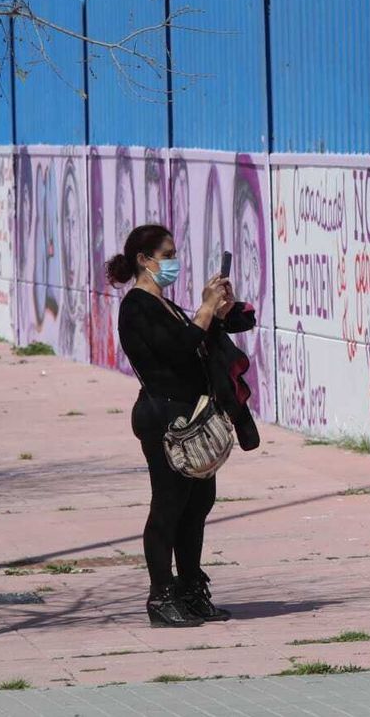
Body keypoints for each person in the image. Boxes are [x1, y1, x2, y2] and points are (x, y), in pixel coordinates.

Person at [107, 223, 255, 628]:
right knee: (168, 506)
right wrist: (204, 309)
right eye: (167, 255)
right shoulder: (136, 306)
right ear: (144, 260)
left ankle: (191, 588)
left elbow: (196, 346)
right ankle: (161, 596)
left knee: (197, 503)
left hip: (192, 417)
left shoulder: (164, 304)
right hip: (165, 419)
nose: (174, 262)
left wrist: (218, 313)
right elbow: (176, 350)